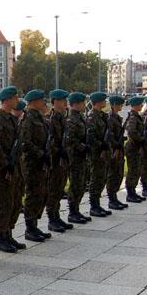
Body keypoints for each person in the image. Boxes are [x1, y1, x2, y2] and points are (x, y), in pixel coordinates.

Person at [0, 86, 26, 253]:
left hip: (14, 166)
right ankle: (1, 237)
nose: (17, 100)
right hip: (3, 169)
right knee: (3, 203)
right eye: (15, 97)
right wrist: (6, 162)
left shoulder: (11, 118)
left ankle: (9, 234)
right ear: (8, 99)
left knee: (14, 201)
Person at [19, 89, 54, 241]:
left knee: (41, 193)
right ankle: (29, 228)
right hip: (32, 163)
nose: (44, 102)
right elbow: (26, 142)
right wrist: (41, 153)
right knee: (33, 194)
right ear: (33, 102)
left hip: (40, 162)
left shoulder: (39, 118)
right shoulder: (28, 119)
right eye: (41, 100)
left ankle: (34, 225)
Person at [45, 89, 72, 232]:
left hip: (62, 159)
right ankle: (51, 218)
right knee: (54, 189)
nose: (65, 103)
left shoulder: (62, 117)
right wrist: (58, 151)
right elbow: (51, 141)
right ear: (55, 102)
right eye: (62, 100)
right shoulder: (51, 119)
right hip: (54, 161)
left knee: (60, 187)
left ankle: (56, 216)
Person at [64, 92, 91, 224]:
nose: (84, 105)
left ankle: (77, 210)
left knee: (81, 184)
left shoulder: (80, 118)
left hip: (81, 157)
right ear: (76, 104)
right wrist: (82, 147)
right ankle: (72, 212)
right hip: (74, 157)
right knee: (75, 184)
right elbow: (70, 139)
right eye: (82, 103)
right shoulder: (71, 119)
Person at [106, 96, 129, 210]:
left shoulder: (116, 117)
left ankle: (114, 197)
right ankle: (111, 199)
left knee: (118, 174)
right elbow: (110, 135)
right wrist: (116, 145)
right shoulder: (110, 118)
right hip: (113, 150)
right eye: (119, 104)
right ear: (114, 104)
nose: (121, 106)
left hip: (118, 148)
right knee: (113, 174)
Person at [125, 96, 147, 203]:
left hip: (136, 147)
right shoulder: (133, 117)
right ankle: (130, 193)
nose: (141, 106)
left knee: (137, 169)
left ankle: (133, 191)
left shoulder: (136, 116)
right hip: (133, 146)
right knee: (133, 170)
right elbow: (131, 131)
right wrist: (141, 139)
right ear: (135, 105)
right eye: (140, 104)